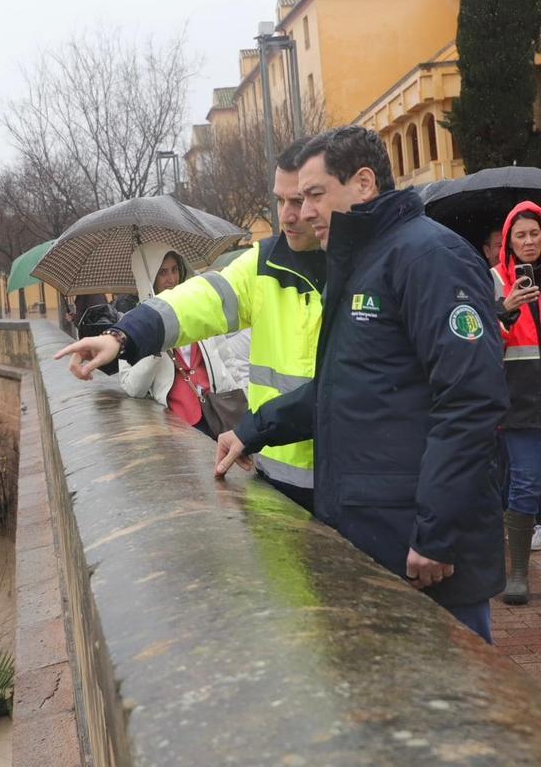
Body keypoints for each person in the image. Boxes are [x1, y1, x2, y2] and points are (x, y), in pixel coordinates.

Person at [215, 125, 508, 642]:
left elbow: (470, 401)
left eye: (314, 195)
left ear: (364, 183)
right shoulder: (361, 264)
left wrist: (437, 533)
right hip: (375, 537)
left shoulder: (428, 257)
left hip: (423, 552)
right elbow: (342, 390)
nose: (302, 213)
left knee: (455, 710)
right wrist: (253, 429)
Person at [53, 138, 324, 513]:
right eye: (281, 201)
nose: (288, 216)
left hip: (340, 480)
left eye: (303, 199)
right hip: (275, 474)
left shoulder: (367, 266)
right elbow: (199, 301)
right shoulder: (262, 264)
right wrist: (123, 336)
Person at [118, 249, 247, 437]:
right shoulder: (132, 325)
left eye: (174, 269)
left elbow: (227, 359)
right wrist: (154, 346)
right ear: (149, 278)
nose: (171, 279)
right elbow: (133, 388)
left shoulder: (200, 308)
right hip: (179, 425)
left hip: (220, 411)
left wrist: (243, 397)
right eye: (162, 272)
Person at [491, 202, 541, 602]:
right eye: (520, 235)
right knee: (525, 484)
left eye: (535, 233)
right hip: (520, 404)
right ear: (508, 241)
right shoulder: (494, 281)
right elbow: (476, 339)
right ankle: (519, 575)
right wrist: (503, 311)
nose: (528, 241)